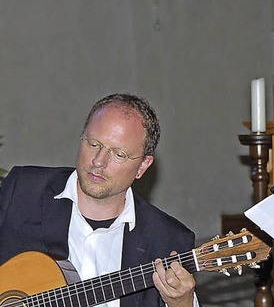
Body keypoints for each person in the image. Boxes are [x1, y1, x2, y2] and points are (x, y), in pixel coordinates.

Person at [0, 93, 199, 307]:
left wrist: (182, 302)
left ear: (142, 166)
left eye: (118, 154)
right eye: (94, 144)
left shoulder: (167, 240)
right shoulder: (23, 191)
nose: (98, 161)